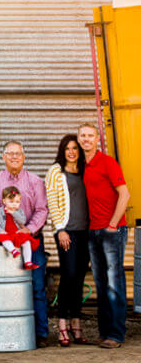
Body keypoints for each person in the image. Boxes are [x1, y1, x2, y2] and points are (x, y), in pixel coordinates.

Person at [0, 140, 49, 346]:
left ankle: (41, 333)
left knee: (36, 285)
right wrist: (0, 231)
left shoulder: (35, 181)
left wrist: (29, 229)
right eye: (10, 153)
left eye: (18, 153)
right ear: (3, 157)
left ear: (24, 157)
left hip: (30, 238)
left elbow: (41, 210)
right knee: (3, 287)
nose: (14, 157)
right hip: (3, 242)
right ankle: (3, 332)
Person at [78, 122, 130, 349]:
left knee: (114, 282)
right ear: (79, 140)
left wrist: (112, 224)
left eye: (90, 135)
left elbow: (124, 194)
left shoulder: (107, 162)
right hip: (93, 231)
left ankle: (116, 334)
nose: (86, 139)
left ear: (98, 139)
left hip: (111, 230)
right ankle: (105, 331)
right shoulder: (81, 165)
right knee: (100, 282)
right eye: (83, 136)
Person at [44, 133, 89, 346]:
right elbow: (52, 201)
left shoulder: (85, 170)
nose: (71, 152)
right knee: (69, 275)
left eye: (75, 148)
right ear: (62, 151)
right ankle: (62, 324)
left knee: (80, 277)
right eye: (67, 148)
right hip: (67, 231)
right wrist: (60, 229)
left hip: (85, 231)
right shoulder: (55, 171)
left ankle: (76, 322)